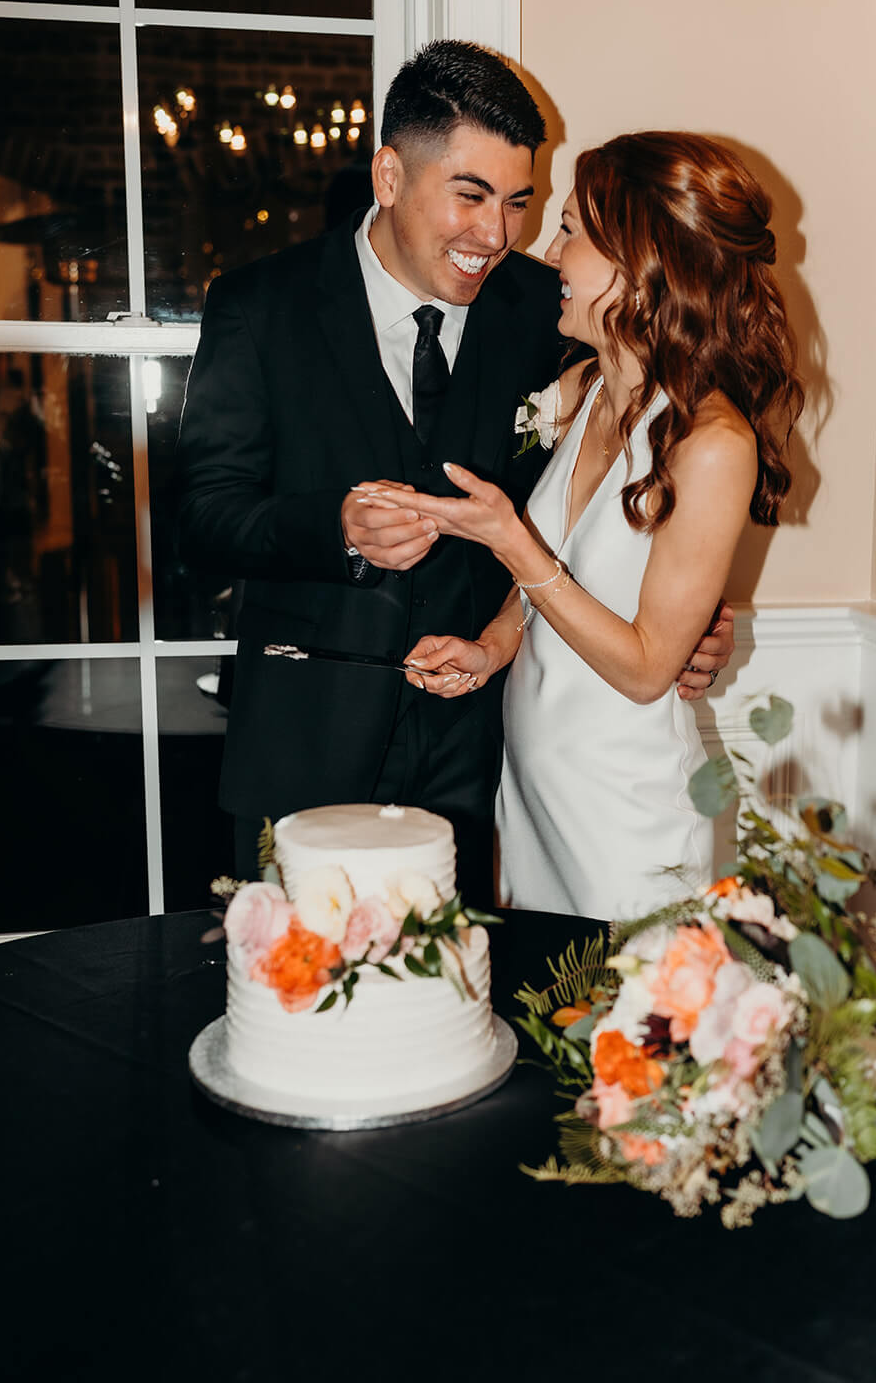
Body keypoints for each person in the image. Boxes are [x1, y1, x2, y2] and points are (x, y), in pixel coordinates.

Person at [176, 44, 733, 906]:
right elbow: (204, 519)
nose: (497, 236)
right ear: (390, 175)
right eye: (470, 196)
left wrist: (689, 617)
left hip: (482, 756)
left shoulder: (542, 311)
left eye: (519, 202)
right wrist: (336, 528)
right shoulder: (259, 307)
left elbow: (640, 472)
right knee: (304, 1007)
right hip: (303, 742)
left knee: (475, 1017)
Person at [363, 132, 802, 919]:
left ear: (639, 261)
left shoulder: (712, 445)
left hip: (624, 815)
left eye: (569, 231)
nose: (550, 253)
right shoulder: (588, 390)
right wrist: (490, 648)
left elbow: (643, 669)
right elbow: (552, 586)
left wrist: (511, 542)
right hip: (533, 793)